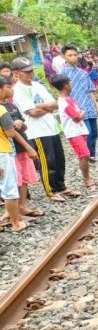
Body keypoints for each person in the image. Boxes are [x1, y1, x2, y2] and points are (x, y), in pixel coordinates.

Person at [10, 57, 77, 201]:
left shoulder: (37, 85)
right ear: (16, 73)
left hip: (51, 127)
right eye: (26, 72)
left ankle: (61, 186)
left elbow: (55, 103)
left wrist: (39, 106)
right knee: (47, 162)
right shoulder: (17, 90)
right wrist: (46, 107)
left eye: (31, 71)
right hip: (37, 132)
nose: (30, 74)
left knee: (60, 159)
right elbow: (32, 113)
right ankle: (51, 190)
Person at [0, 76, 42, 221]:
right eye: (8, 86)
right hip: (10, 150)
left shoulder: (11, 105)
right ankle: (12, 213)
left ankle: (22, 206)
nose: (11, 89)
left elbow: (23, 124)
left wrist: (20, 123)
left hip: (21, 146)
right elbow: (11, 132)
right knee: (12, 181)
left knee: (23, 178)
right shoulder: (2, 109)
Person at [50, 74, 94, 188]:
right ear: (66, 85)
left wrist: (80, 113)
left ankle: (87, 178)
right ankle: (86, 180)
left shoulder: (68, 99)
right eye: (70, 83)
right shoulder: (64, 102)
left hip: (79, 130)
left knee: (84, 155)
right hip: (74, 132)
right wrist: (82, 113)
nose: (71, 85)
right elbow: (77, 117)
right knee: (84, 155)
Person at [60, 44, 98, 162]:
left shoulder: (83, 73)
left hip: (89, 105)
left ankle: (92, 155)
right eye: (70, 55)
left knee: (94, 133)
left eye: (74, 55)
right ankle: (86, 155)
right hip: (77, 109)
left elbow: (90, 90)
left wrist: (96, 105)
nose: (73, 57)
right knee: (86, 133)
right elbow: (64, 94)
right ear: (64, 57)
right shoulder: (63, 74)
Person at [0, 83, 32, 231]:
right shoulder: (1, 110)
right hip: (3, 152)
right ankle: (15, 223)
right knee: (10, 189)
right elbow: (10, 133)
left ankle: (8, 217)